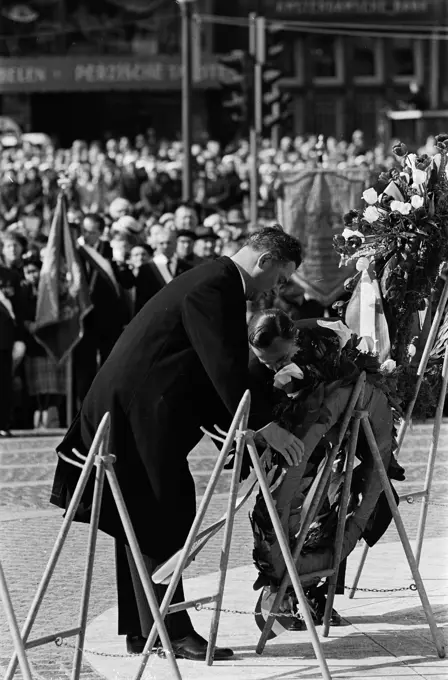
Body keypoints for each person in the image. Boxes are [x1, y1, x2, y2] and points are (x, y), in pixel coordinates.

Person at [50, 225, 304, 660]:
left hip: (140, 411)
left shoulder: (214, 279)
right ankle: (172, 630)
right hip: (134, 414)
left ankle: (143, 629)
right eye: (279, 277)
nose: (275, 290)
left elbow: (207, 374)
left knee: (148, 514)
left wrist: (240, 428)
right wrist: (265, 426)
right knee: (162, 512)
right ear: (264, 262)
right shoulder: (215, 285)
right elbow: (222, 369)